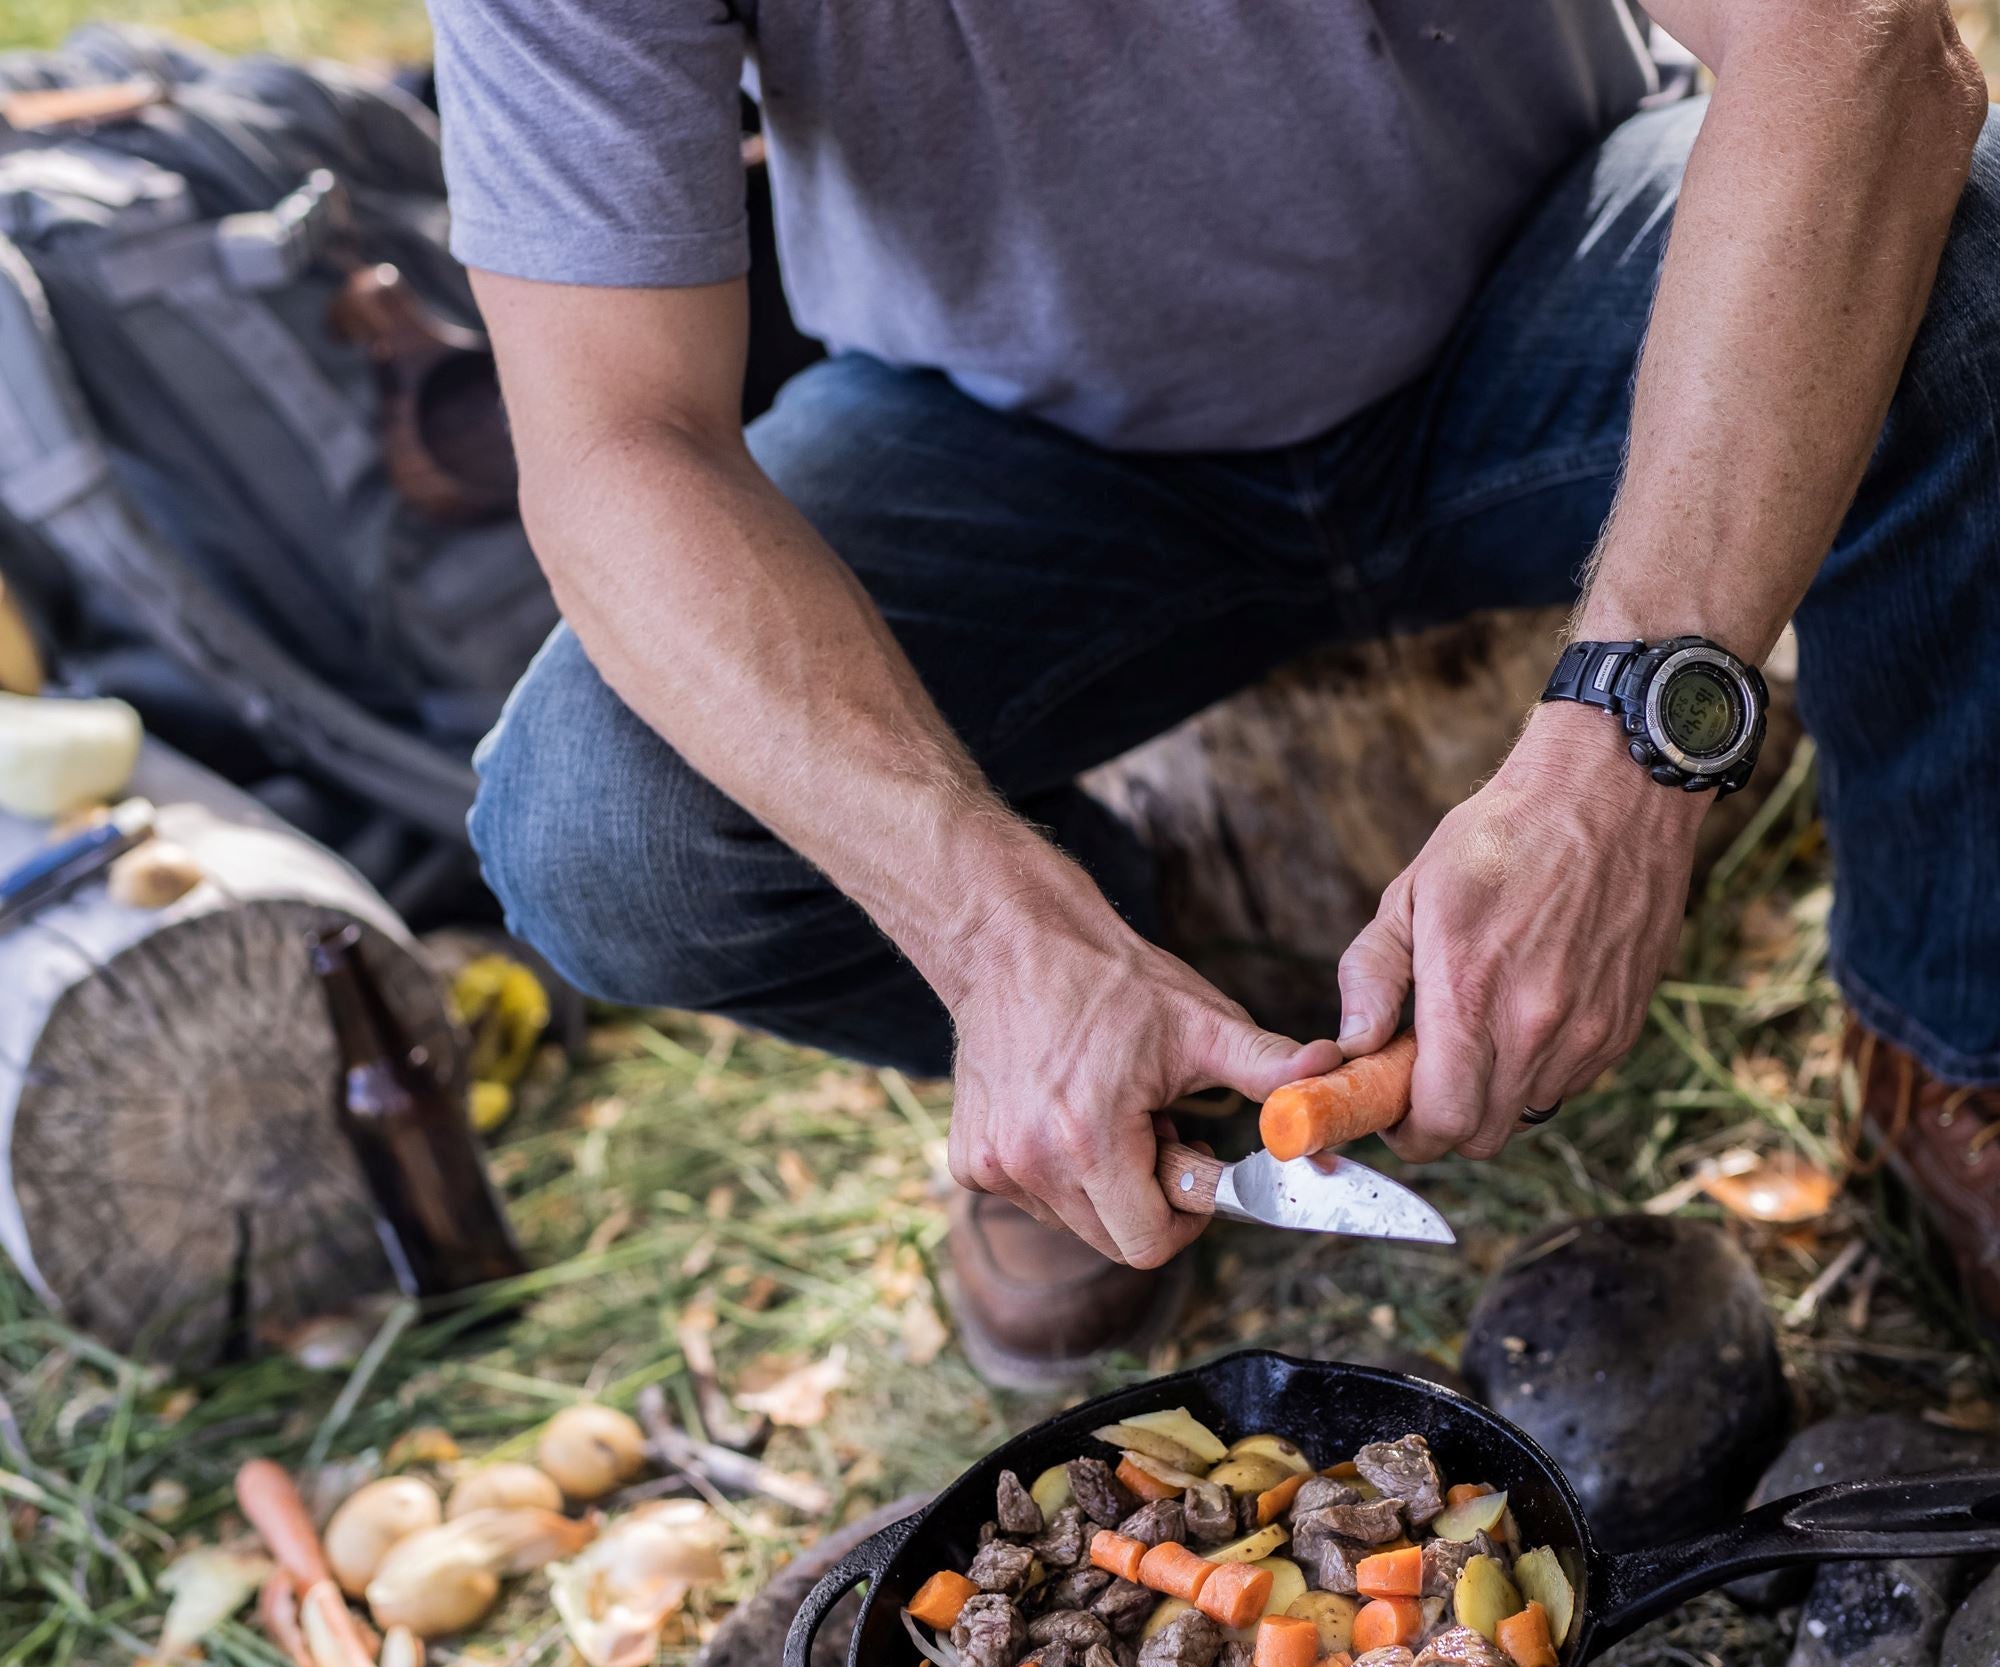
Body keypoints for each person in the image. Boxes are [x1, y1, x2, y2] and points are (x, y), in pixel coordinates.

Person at [429, 0, 2000, 1382]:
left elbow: (1858, 38)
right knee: (604, 827)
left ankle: (1944, 1037)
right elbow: (613, 441)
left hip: (1544, 274)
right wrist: (994, 938)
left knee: (1972, 295)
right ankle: (1108, 1021)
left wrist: (1622, 759)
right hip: (1012, 437)